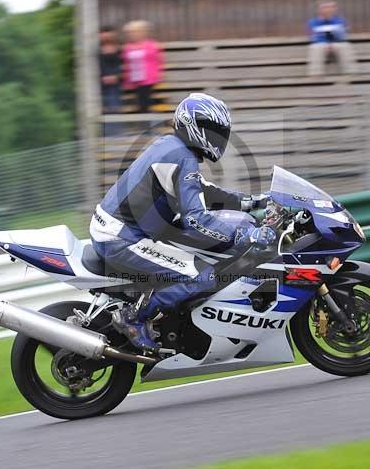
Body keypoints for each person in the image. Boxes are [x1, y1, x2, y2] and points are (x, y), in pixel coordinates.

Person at [89, 93, 275, 351]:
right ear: (195, 127)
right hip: (122, 238)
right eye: (214, 130)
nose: (219, 138)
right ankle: (134, 318)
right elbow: (195, 219)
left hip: (120, 230)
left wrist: (253, 202)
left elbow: (204, 191)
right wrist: (243, 237)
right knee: (202, 276)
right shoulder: (181, 156)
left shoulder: (172, 147)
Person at [122, 20, 163, 113]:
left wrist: (157, 74)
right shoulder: (128, 47)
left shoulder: (151, 45)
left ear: (142, 32)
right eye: (130, 33)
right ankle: (146, 120)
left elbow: (158, 60)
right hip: (134, 77)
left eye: (134, 32)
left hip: (147, 78)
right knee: (140, 101)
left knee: (144, 101)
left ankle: (147, 120)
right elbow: (126, 62)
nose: (132, 35)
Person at [306, 0, 357, 75]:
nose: (328, 9)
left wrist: (332, 43)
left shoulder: (340, 20)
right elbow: (313, 37)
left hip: (337, 44)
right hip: (321, 44)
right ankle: (315, 75)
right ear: (319, 9)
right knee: (315, 48)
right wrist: (327, 43)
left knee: (346, 46)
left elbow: (343, 35)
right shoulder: (313, 22)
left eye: (331, 7)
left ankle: (351, 73)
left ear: (334, 9)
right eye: (325, 7)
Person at [99, 25, 122, 116]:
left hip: (115, 82)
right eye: (104, 34)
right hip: (101, 81)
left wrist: (115, 76)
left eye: (108, 34)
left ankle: (113, 124)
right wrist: (104, 76)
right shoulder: (98, 49)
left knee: (113, 102)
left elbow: (119, 64)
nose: (106, 36)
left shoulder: (117, 48)